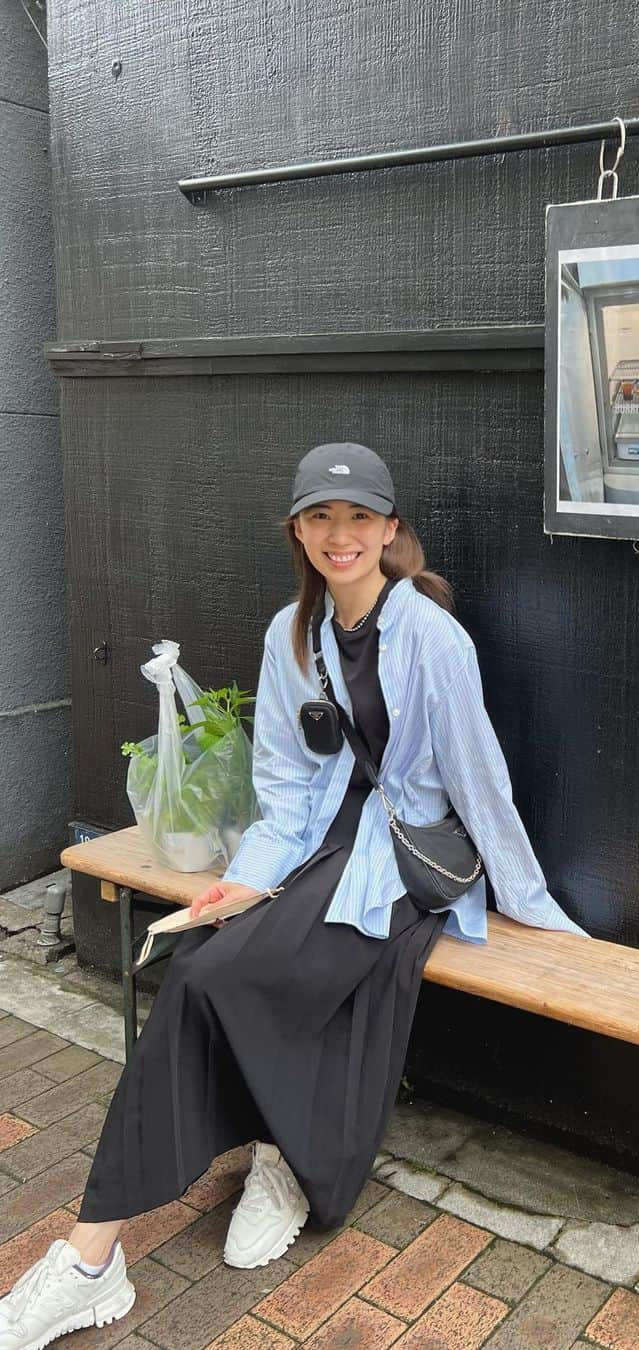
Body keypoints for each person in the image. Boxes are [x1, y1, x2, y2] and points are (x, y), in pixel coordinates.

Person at [0, 441, 589, 1349]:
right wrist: (247, 881)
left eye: (359, 519)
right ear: (298, 531)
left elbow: (479, 780)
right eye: (321, 517)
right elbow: (283, 788)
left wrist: (534, 906)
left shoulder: (432, 637)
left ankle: (124, 1238)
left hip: (394, 867)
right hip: (313, 851)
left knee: (208, 981)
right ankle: (133, 1238)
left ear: (390, 530)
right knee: (201, 956)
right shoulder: (292, 635)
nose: (340, 536)